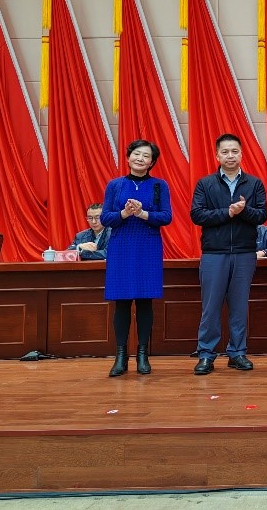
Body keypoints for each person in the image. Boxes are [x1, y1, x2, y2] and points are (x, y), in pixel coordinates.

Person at [191, 134, 267, 375]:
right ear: (217, 155)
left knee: (239, 306)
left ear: (241, 154)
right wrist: (228, 212)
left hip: (245, 253)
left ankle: (237, 353)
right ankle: (206, 354)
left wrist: (243, 211)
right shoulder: (205, 184)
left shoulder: (254, 183)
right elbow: (197, 215)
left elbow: (262, 215)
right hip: (214, 253)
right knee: (211, 307)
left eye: (234, 151)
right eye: (225, 152)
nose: (230, 156)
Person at [101, 140, 172, 377]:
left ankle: (143, 355)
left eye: (146, 156)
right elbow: (105, 218)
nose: (141, 159)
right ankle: (121, 356)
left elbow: (166, 217)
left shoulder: (159, 185)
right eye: (137, 154)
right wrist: (124, 213)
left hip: (148, 246)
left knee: (144, 301)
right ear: (128, 157)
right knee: (121, 302)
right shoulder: (115, 185)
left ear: (152, 162)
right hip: (121, 246)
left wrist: (142, 213)